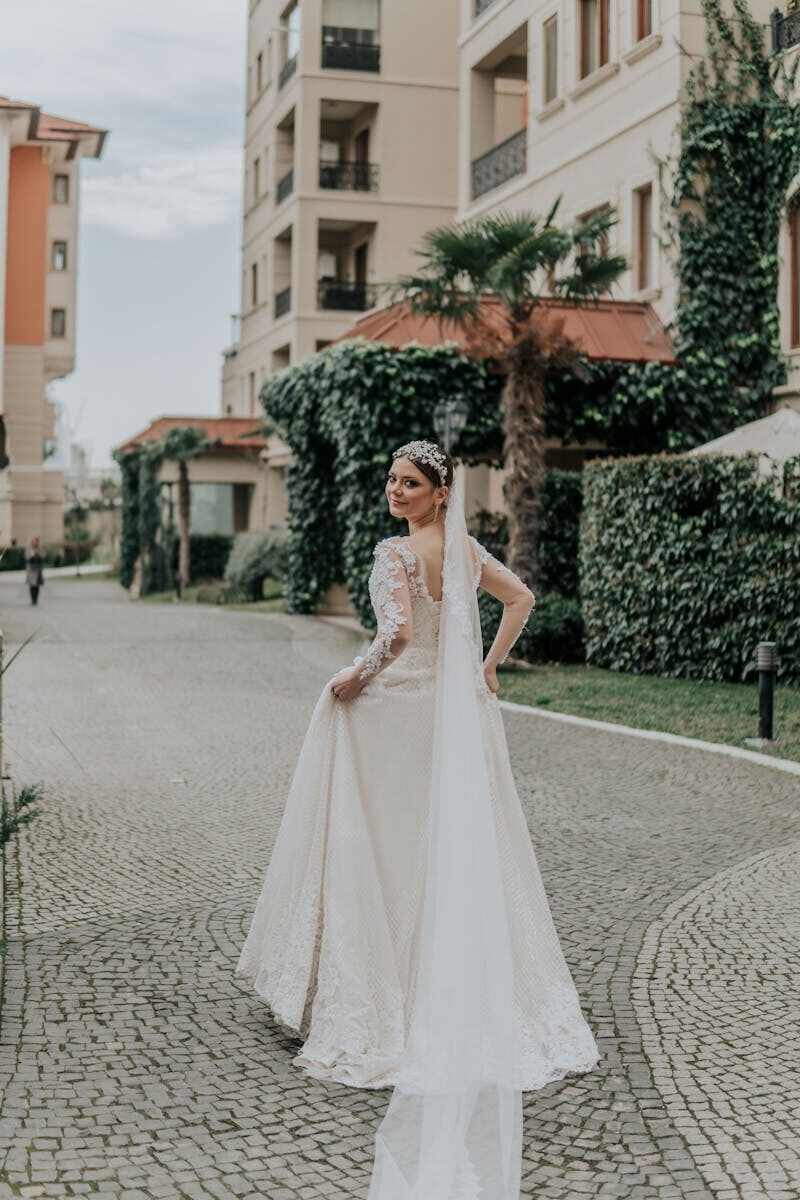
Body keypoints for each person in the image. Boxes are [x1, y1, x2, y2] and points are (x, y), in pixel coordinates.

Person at [236, 439, 600, 1197]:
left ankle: (375, 999)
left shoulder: (395, 555)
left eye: (409, 483)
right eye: (392, 479)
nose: (395, 491)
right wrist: (485, 665)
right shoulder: (466, 550)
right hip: (455, 719)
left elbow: (396, 636)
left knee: (380, 846)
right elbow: (521, 597)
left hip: (400, 712)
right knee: (449, 850)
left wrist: (352, 677)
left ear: (439, 492)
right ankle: (445, 984)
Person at [25, 536, 44, 606]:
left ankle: (36, 599)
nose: (35, 543)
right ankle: (33, 599)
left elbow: (43, 557)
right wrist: (32, 555)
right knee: (32, 585)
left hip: (38, 569)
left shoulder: (40, 549)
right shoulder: (29, 549)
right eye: (33, 541)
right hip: (31, 569)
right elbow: (27, 557)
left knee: (37, 585)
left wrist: (38, 554)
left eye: (36, 541)